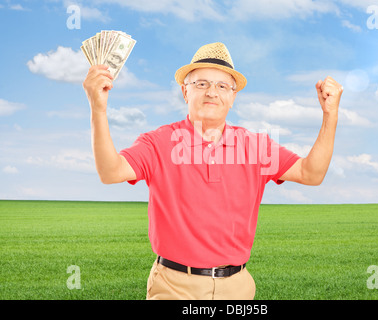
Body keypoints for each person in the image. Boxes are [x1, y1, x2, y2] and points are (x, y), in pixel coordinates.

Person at [82, 42, 343, 300]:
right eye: (201, 84)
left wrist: (330, 115)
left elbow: (311, 174)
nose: (212, 93)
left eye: (222, 86)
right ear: (185, 92)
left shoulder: (256, 146)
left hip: (237, 287)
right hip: (174, 287)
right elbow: (110, 172)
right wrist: (98, 108)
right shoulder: (158, 142)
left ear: (232, 97)